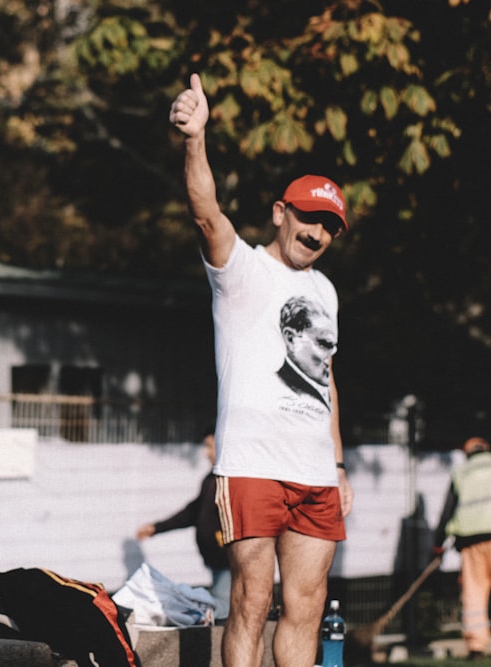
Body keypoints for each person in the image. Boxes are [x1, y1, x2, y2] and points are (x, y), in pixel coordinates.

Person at [169, 73, 354, 667]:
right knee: (252, 598)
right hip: (251, 466)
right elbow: (205, 211)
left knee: (306, 604)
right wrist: (195, 139)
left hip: (315, 473)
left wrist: (340, 463)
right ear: (280, 213)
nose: (317, 232)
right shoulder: (241, 270)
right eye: (307, 217)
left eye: (328, 226)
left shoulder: (325, 290)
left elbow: (325, 379)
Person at [432, 436, 491, 659]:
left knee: (474, 591)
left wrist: (438, 542)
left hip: (471, 540)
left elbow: (448, 509)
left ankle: (476, 646)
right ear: (487, 448)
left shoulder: (461, 472)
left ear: (467, 452)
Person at [136, 433, 230, 615]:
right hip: (215, 558)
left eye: (211, 446)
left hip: (228, 558)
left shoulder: (230, 481)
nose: (206, 453)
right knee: (220, 603)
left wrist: (225, 543)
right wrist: (156, 528)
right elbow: (192, 513)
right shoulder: (211, 480)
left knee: (223, 606)